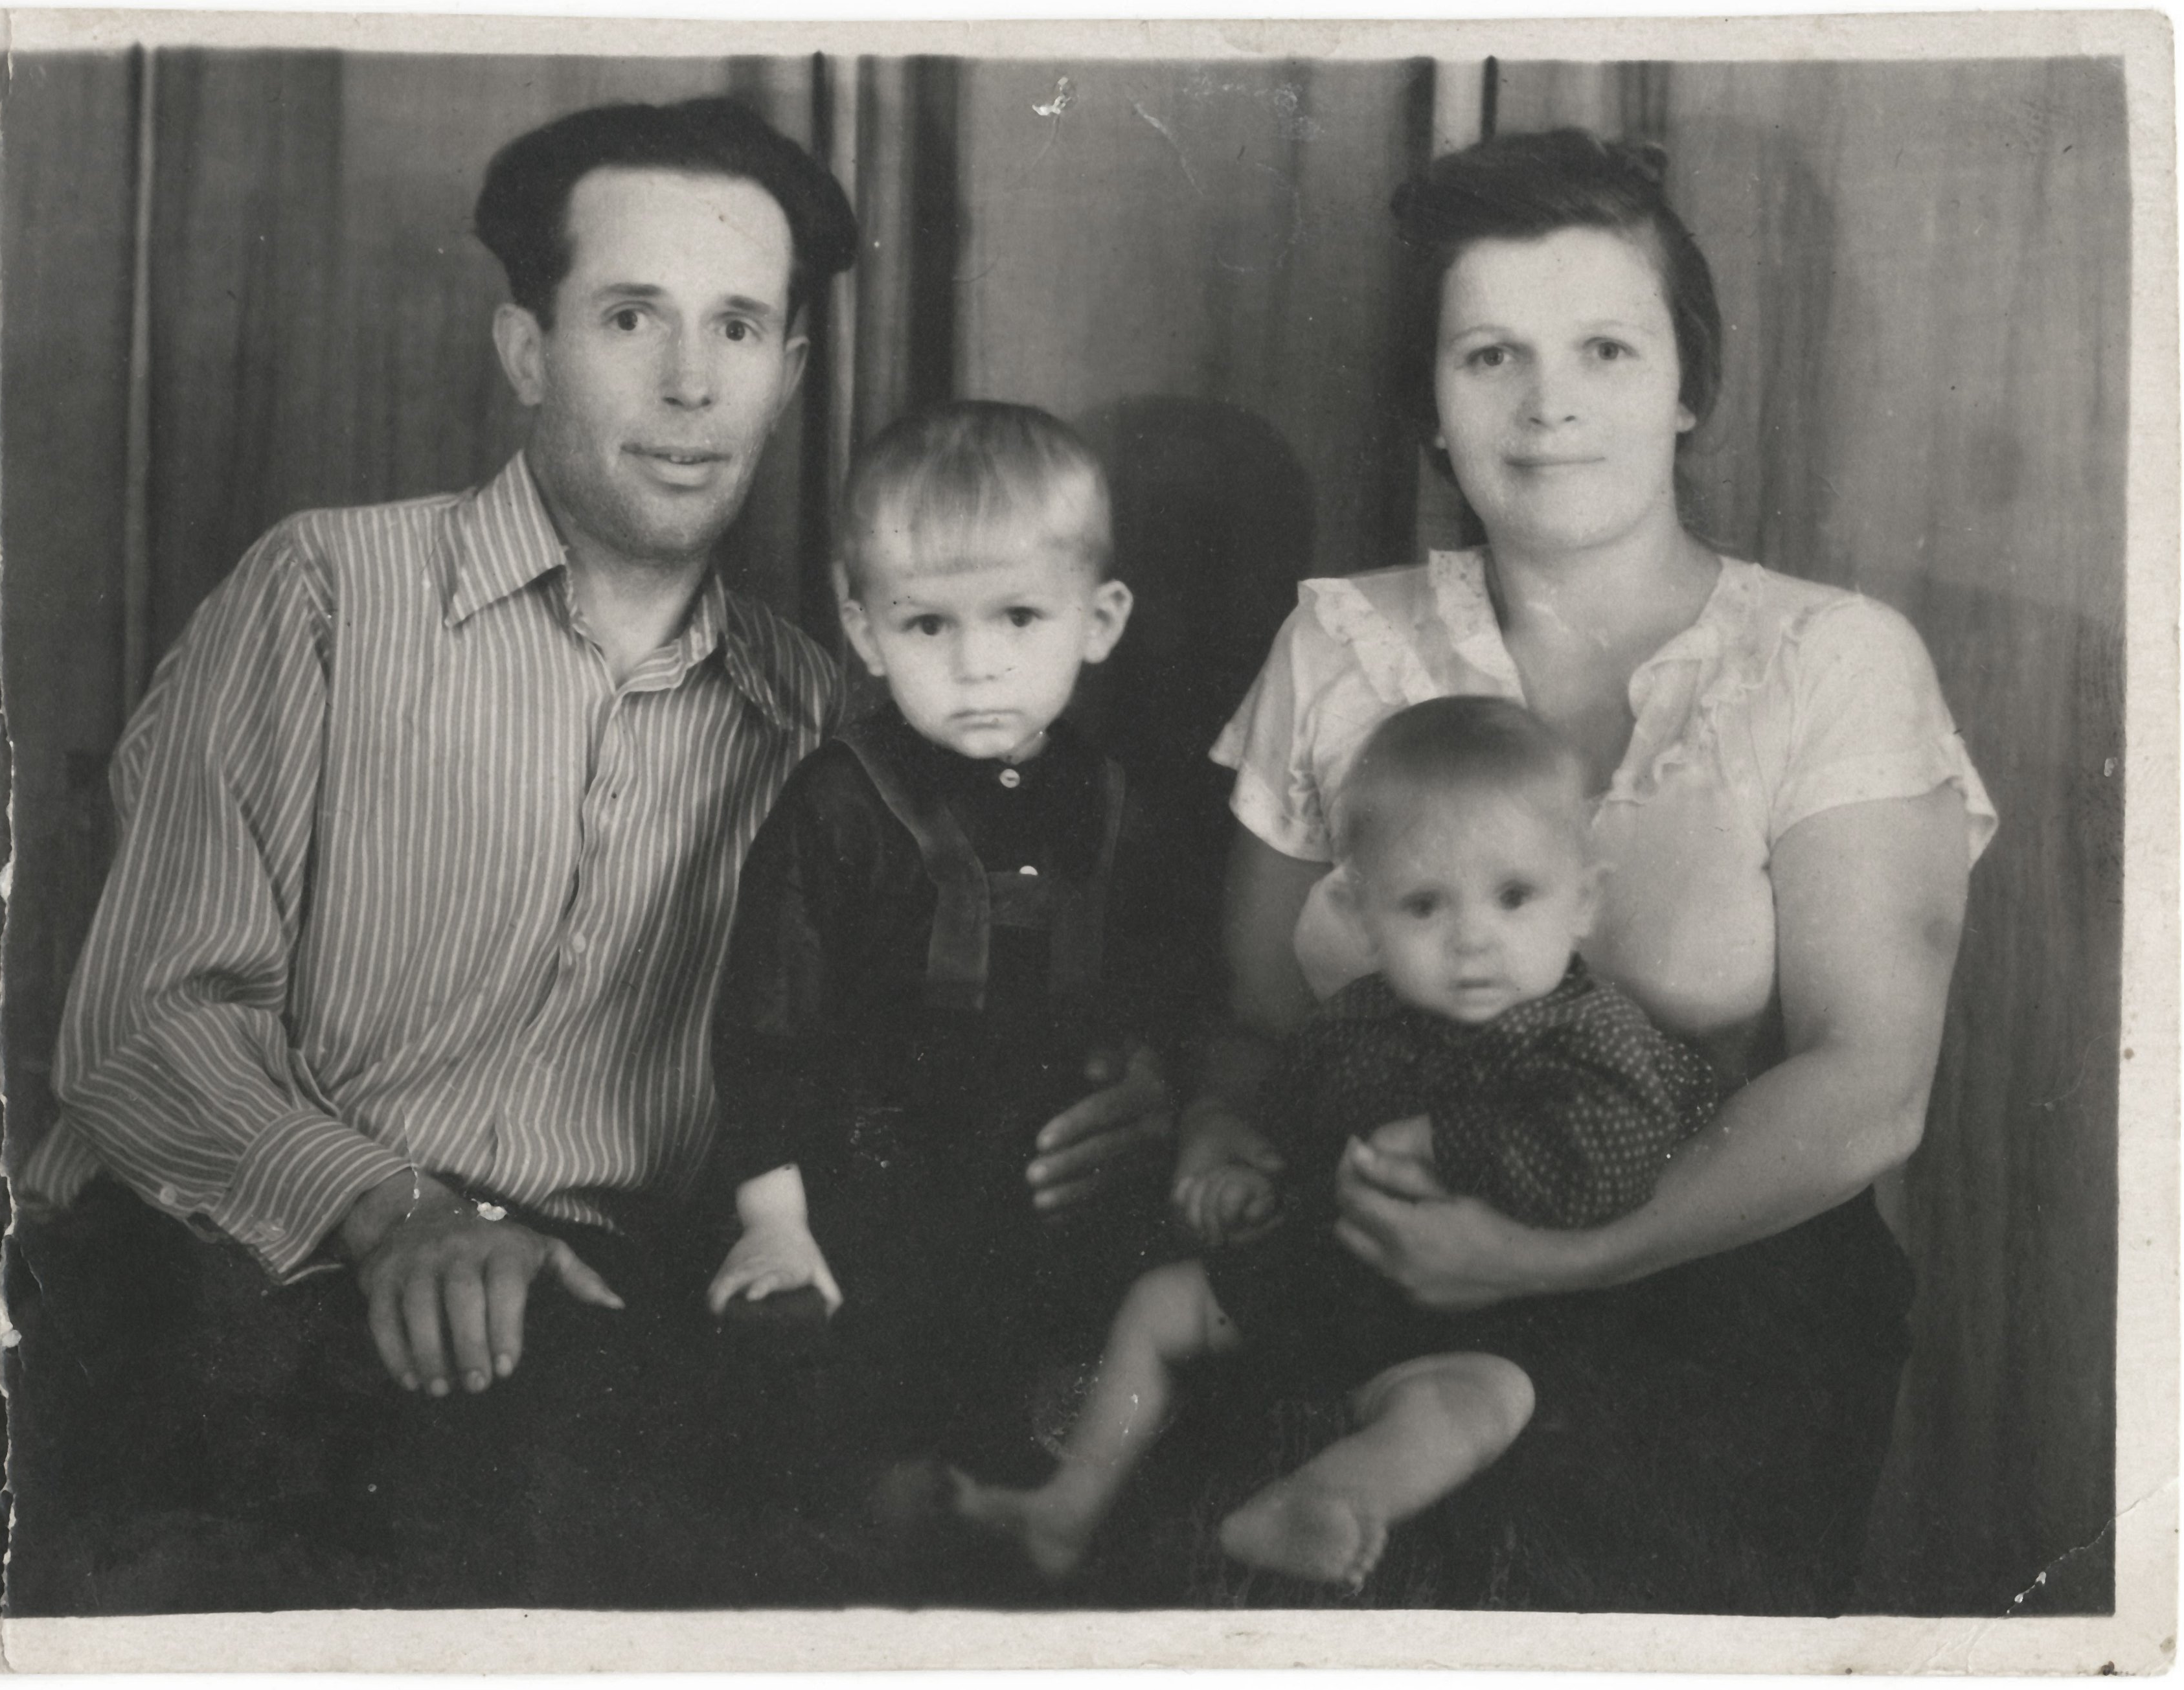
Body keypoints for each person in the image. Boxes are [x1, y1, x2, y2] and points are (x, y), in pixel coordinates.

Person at [0, 101, 1161, 1612]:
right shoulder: (326, 594)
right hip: (243, 1254)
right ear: (528, 350)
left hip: (594, 1310)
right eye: (632, 317)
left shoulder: (843, 725)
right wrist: (399, 1215)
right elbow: (142, 1028)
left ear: (790, 373)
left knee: (861, 1525)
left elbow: (889, 1052)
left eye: (738, 328)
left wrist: (1108, 1079)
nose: (692, 383)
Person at [1178, 129, 1998, 1614]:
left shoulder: (1825, 661)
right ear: (1430, 407)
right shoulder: (1340, 647)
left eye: (1605, 350)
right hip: (1366, 1269)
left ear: (1689, 387)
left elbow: (1868, 1086)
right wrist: (1215, 1142)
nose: (1547, 404)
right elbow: (1249, 1021)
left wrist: (1542, 1263)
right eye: (1488, 356)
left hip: (1713, 1314)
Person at [955, 696, 1719, 1590]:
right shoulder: (1355, 1023)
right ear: (1361, 915)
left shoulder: (1590, 1037)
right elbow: (1298, 1134)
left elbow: (1617, 1154)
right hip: (1340, 1279)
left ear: (1582, 899)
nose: (1474, 937)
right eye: (1424, 904)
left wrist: (1447, 1140)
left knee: (1477, 1401)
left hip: (1496, 1315)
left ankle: (1318, 1498)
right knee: (1161, 1303)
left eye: (1514, 895)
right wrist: (1247, 1176)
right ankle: (1066, 1507)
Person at [702, 402, 1180, 1510]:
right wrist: (773, 1222)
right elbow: (762, 1031)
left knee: (1077, 1411)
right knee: (872, 1454)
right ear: (864, 630)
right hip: (873, 1199)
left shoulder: (1111, 801)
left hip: (1058, 1197)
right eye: (928, 627)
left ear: (1098, 619)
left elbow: (1162, 989)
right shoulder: (837, 802)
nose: (975, 665)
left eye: (1018, 617)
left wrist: (1149, 1076)